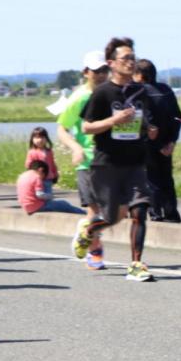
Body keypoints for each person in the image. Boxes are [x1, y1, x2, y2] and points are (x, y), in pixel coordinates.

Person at [74, 37, 155, 282]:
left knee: (139, 211)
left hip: (135, 162)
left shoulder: (141, 91)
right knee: (112, 217)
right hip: (106, 163)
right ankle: (89, 231)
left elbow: (143, 119)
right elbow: (87, 127)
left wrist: (149, 128)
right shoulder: (102, 92)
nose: (131, 63)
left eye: (133, 58)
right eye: (126, 59)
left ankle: (136, 264)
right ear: (112, 63)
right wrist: (113, 121)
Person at [55, 50, 109, 270]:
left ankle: (86, 231)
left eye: (105, 70)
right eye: (97, 71)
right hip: (87, 161)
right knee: (94, 210)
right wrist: (76, 147)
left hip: (111, 159)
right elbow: (62, 128)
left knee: (112, 212)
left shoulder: (112, 93)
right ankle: (95, 251)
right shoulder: (79, 97)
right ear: (86, 72)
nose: (102, 75)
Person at [134, 58, 181, 222]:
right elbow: (178, 117)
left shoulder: (139, 91)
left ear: (140, 75)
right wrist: (172, 141)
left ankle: (156, 214)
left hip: (148, 143)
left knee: (151, 179)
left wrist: (150, 132)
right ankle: (172, 214)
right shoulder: (166, 90)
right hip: (167, 144)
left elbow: (141, 117)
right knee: (167, 179)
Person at [16, 159, 83, 215]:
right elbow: (39, 195)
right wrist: (50, 196)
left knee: (58, 204)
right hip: (37, 206)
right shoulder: (36, 177)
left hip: (25, 207)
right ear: (41, 170)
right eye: (44, 175)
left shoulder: (22, 176)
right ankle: (84, 214)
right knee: (64, 204)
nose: (43, 178)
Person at [25, 127, 58, 197]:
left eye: (42, 137)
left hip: (48, 178)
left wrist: (55, 174)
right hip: (38, 179)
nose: (39, 140)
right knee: (39, 196)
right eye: (36, 138)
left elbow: (52, 164)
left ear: (46, 138)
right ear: (32, 139)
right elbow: (28, 165)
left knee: (48, 196)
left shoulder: (49, 151)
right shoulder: (32, 152)